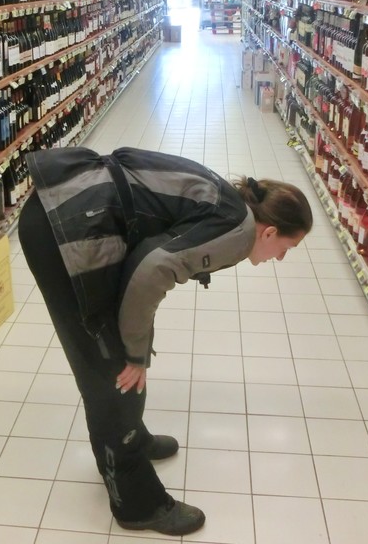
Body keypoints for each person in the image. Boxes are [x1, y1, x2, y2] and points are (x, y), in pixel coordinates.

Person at [19, 146, 313, 536]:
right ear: (270, 231)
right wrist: (136, 354)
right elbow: (150, 269)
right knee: (112, 373)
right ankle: (136, 503)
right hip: (62, 229)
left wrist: (138, 344)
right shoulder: (238, 233)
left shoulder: (235, 208)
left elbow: (148, 265)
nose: (281, 258)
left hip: (71, 208)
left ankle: (132, 438)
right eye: (287, 249)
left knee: (121, 354)